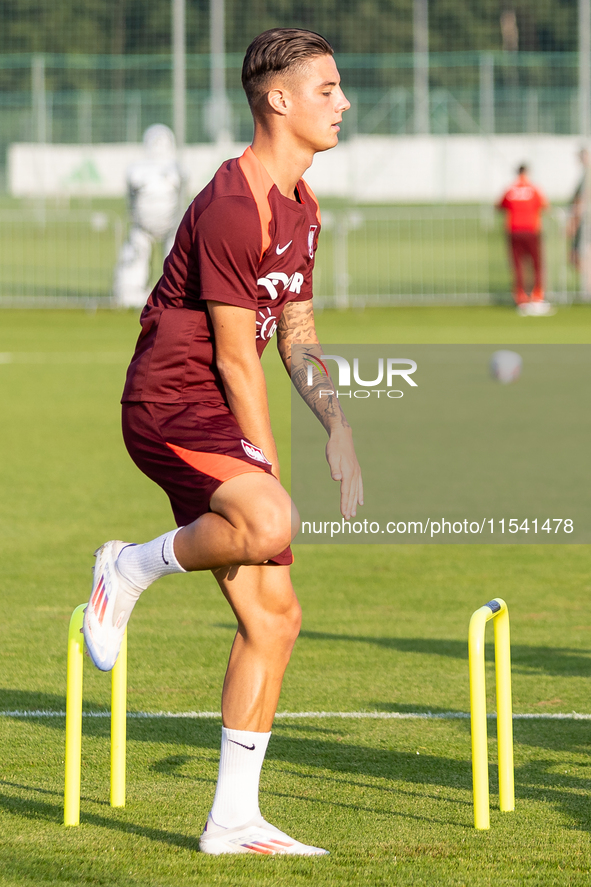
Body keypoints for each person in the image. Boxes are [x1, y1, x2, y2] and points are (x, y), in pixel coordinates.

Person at [83, 29, 363, 856]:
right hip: (171, 404)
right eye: (327, 89)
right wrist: (265, 462)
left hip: (214, 409)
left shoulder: (303, 206)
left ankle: (231, 820)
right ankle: (126, 566)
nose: (342, 103)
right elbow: (237, 354)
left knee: (274, 618)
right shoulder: (233, 205)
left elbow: (296, 334)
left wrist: (336, 426)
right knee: (269, 517)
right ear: (278, 99)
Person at [113, 124, 185, 309]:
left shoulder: (175, 169)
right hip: (150, 226)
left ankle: (173, 291)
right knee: (138, 255)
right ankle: (132, 292)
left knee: (171, 256)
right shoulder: (176, 169)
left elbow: (130, 198)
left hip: (167, 226)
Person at [496, 164, 551, 316]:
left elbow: (499, 205)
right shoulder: (533, 189)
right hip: (531, 230)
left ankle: (521, 298)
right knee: (536, 265)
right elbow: (545, 205)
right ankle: (537, 297)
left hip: (514, 230)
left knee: (518, 265)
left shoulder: (510, 189)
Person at [568, 147, 589, 273]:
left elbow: (583, 198)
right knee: (575, 255)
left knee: (579, 254)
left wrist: (574, 220)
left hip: (584, 219)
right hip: (581, 218)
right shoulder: (585, 173)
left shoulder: (588, 174)